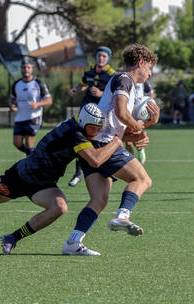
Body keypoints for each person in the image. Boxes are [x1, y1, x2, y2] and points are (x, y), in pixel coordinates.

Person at [0, 103, 127, 255]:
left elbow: (99, 145)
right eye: (95, 128)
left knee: (60, 207)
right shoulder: (75, 133)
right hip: (20, 177)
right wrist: (118, 141)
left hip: (44, 184)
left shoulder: (80, 126)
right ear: (85, 124)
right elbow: (95, 160)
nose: (97, 132)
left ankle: (12, 238)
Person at [62, 43, 160, 256]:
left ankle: (73, 242)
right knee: (142, 179)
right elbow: (121, 112)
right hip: (103, 143)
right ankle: (123, 215)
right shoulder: (124, 79)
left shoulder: (126, 84)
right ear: (140, 63)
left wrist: (144, 129)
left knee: (99, 199)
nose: (150, 73)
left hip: (95, 142)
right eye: (149, 68)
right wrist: (139, 127)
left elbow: (121, 125)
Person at [68, 46, 116, 186]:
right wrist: (76, 89)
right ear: (95, 57)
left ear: (108, 58)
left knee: (102, 141)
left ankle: (108, 169)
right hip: (85, 111)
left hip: (101, 114)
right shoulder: (89, 71)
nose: (101, 58)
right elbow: (83, 83)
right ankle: (78, 173)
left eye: (104, 56)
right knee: (81, 141)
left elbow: (116, 93)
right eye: (99, 56)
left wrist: (101, 94)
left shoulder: (112, 74)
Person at [9, 57, 52, 156]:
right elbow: (12, 98)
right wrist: (12, 105)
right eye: (24, 67)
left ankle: (31, 163)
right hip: (20, 118)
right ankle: (35, 156)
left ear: (32, 69)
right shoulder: (16, 84)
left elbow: (49, 100)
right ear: (21, 69)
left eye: (28, 67)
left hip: (34, 117)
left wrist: (38, 104)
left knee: (29, 143)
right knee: (17, 143)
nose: (26, 69)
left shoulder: (39, 84)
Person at [125, 80, 155, 164]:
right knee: (128, 141)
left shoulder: (143, 81)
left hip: (139, 113)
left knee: (136, 136)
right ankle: (129, 162)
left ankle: (140, 149)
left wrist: (146, 105)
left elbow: (151, 93)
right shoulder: (125, 81)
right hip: (128, 111)